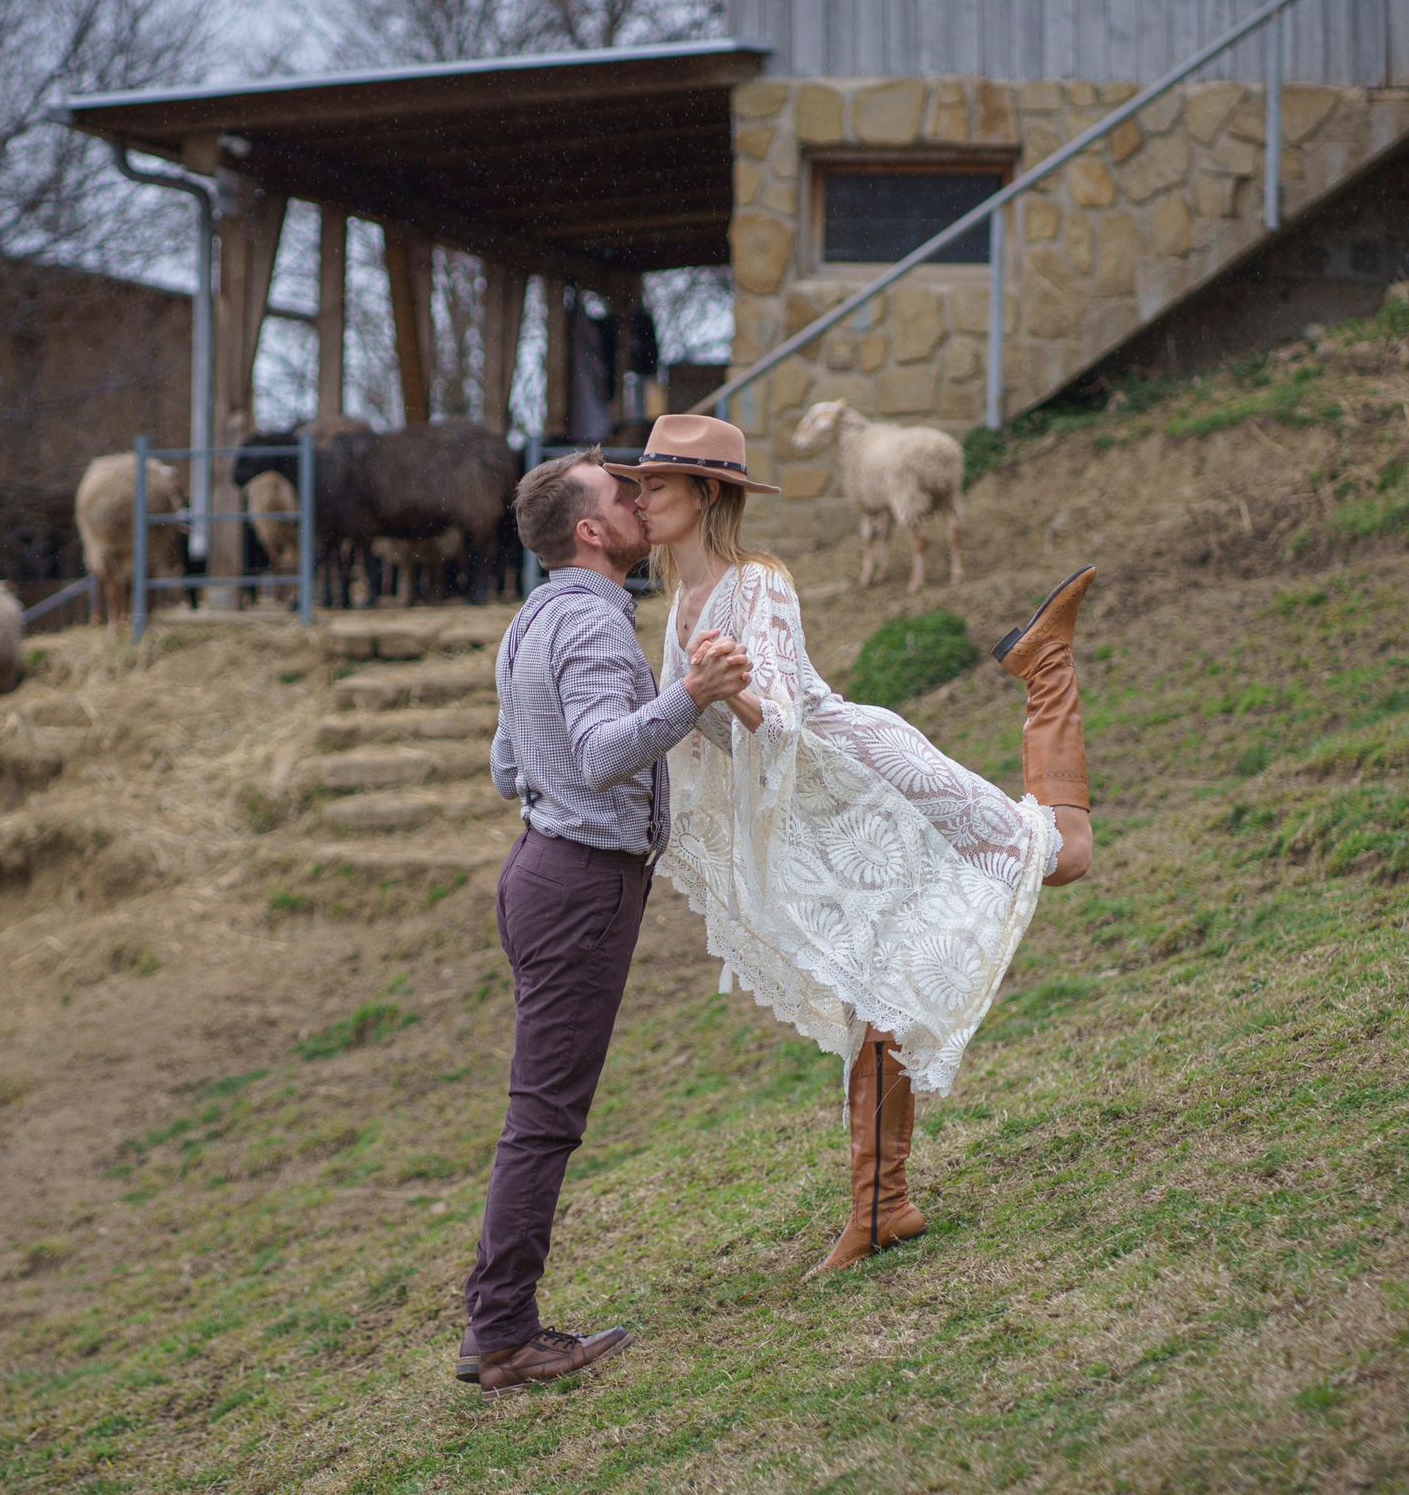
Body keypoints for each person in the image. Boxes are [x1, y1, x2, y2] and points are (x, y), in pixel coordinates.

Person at [632, 412, 1096, 1278]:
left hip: (873, 776)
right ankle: (883, 1206)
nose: (640, 498)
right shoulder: (679, 607)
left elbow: (778, 715)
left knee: (1065, 852)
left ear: (704, 495)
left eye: (654, 484)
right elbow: (685, 731)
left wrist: (723, 690)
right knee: (871, 993)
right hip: (819, 820)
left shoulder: (759, 582)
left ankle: (1047, 669)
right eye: (637, 484)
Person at [458, 447, 754, 1392]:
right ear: (589, 531)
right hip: (580, 885)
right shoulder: (590, 623)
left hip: (539, 872)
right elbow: (596, 756)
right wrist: (691, 695)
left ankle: (497, 1323)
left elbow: (507, 766)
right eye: (621, 496)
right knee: (544, 1116)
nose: (638, 502)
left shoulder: (532, 619)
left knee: (539, 1109)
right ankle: (503, 1334)